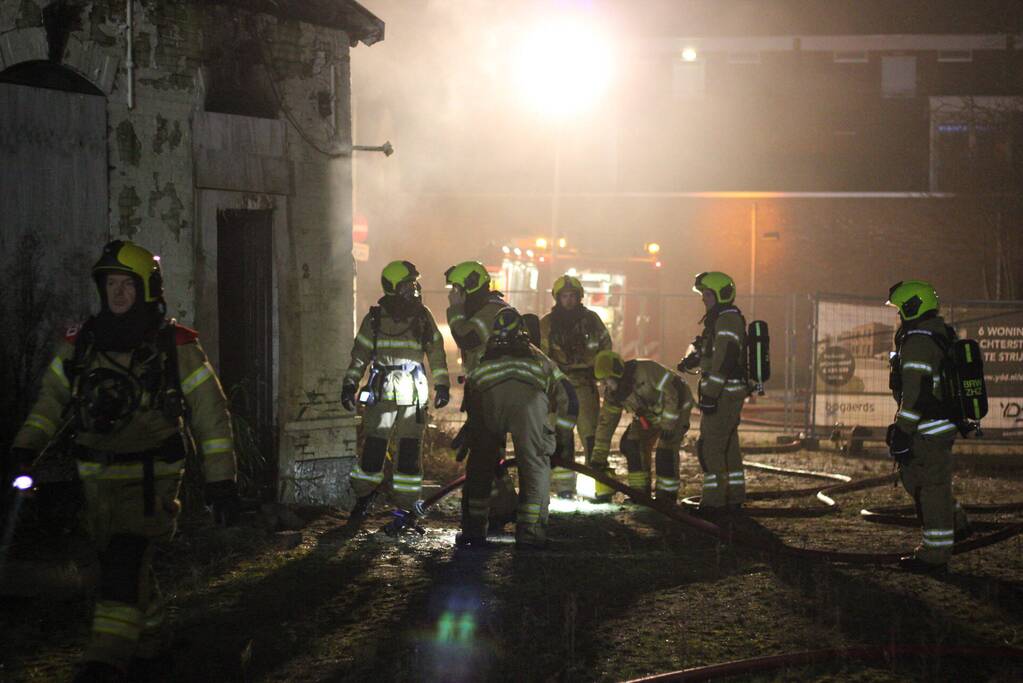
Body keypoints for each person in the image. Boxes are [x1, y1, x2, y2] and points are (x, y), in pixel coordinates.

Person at [8, 240, 238, 682]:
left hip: (152, 475)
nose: (117, 294)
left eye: (127, 286)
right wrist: (24, 448)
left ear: (146, 289)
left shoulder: (176, 345)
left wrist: (220, 482)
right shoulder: (80, 344)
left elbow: (211, 414)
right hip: (95, 477)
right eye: (110, 284)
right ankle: (151, 648)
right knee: (121, 565)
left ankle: (102, 662)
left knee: (123, 562)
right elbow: (49, 402)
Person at [459, 308, 578, 548]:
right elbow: (569, 395)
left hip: (489, 402)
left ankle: (473, 531)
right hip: (529, 405)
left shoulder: (483, 354)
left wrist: (473, 430)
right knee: (534, 466)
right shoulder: (537, 356)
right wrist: (562, 437)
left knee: (480, 466)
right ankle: (530, 534)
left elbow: (471, 390)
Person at [341, 261, 450, 516]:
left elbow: (436, 353)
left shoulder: (423, 317)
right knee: (374, 449)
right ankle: (363, 496)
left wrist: (442, 385)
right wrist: (349, 383)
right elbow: (360, 356)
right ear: (393, 287)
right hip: (382, 395)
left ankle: (406, 504)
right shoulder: (375, 318)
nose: (413, 289)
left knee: (410, 452)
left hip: (413, 395)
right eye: (407, 284)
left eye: (414, 284)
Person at [885, 280, 971, 572]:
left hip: (928, 428)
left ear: (912, 307)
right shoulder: (935, 334)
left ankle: (934, 556)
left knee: (930, 487)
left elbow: (915, 395)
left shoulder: (919, 342)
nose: (897, 316)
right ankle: (956, 522)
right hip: (935, 425)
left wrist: (902, 431)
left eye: (899, 309)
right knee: (918, 480)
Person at [444, 260, 519, 527]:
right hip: (485, 391)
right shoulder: (486, 309)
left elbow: (466, 338)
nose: (454, 293)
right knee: (491, 453)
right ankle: (505, 507)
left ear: (470, 287)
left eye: (457, 289)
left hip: (493, 394)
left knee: (483, 453)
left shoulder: (491, 312)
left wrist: (454, 310)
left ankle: (480, 519)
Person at [539, 274, 612, 499]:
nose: (569, 300)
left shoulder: (592, 320)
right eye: (565, 296)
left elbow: (606, 349)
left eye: (572, 296)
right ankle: (565, 490)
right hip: (558, 389)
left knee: (591, 437)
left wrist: (604, 377)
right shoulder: (547, 324)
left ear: (579, 297)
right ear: (557, 298)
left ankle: (600, 490)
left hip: (585, 386)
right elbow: (541, 356)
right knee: (562, 438)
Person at [682, 271, 749, 512]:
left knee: (709, 446)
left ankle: (714, 501)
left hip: (723, 392)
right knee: (728, 445)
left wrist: (710, 393)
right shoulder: (722, 319)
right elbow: (715, 354)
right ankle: (733, 496)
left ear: (721, 294)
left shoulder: (727, 320)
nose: (703, 299)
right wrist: (694, 360)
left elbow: (725, 360)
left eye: (707, 294)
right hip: (728, 390)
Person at [592, 351, 693, 502]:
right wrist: (598, 457)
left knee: (665, 451)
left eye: (607, 381)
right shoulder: (613, 394)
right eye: (602, 382)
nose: (605, 386)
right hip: (649, 415)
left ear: (617, 372)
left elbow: (673, 392)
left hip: (677, 407)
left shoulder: (647, 370)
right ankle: (640, 494)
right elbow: (606, 424)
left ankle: (666, 498)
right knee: (632, 445)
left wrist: (668, 424)